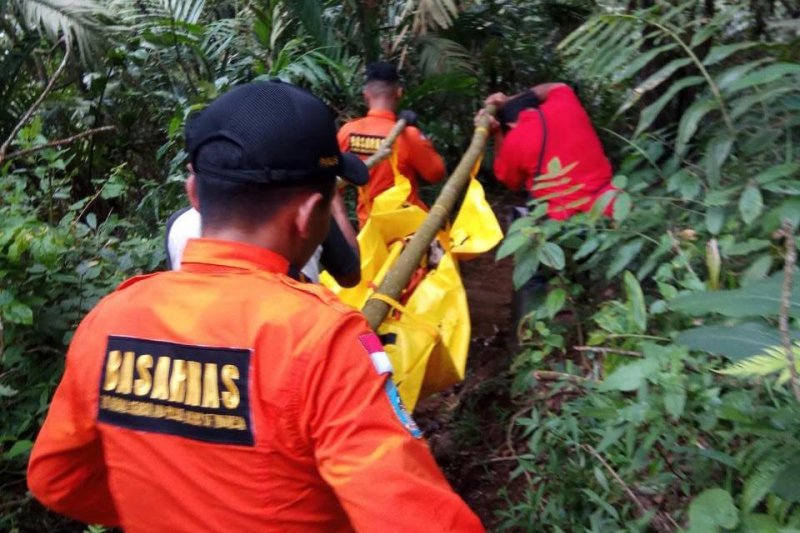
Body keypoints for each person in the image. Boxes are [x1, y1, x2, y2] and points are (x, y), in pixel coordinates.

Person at [27, 80, 484, 533]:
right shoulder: (323, 340)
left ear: (194, 194)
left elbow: (57, 478)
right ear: (309, 215)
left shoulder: (110, 320)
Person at [165, 170, 361, 287]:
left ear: (194, 192)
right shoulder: (305, 213)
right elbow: (350, 275)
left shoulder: (178, 224)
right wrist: (337, 208)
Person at [483, 83, 615, 220]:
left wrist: (497, 133)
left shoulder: (515, 140)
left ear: (510, 125)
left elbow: (510, 181)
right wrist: (509, 99)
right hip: (610, 204)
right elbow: (556, 86)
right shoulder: (566, 103)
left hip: (566, 222)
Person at [338, 61, 447, 226]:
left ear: (366, 94)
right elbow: (436, 174)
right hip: (408, 232)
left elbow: (331, 181)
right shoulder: (409, 135)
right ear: (399, 93)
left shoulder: (348, 132)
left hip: (370, 232)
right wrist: (417, 136)